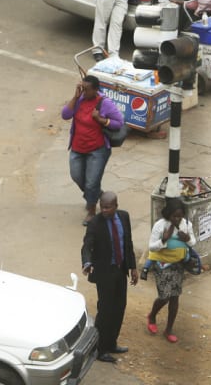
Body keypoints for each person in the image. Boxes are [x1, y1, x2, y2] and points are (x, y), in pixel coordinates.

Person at [81, 191, 138, 363]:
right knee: (105, 311)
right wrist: (87, 263)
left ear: (116, 206)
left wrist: (133, 267)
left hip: (120, 270)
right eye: (102, 207)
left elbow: (128, 243)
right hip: (104, 273)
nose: (104, 210)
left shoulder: (124, 217)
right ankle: (100, 349)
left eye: (108, 207)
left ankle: (112, 343)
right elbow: (87, 246)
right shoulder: (95, 224)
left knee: (120, 307)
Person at [61, 75, 124, 226]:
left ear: (96, 90)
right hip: (77, 147)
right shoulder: (79, 100)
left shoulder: (104, 103)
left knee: (91, 182)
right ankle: (97, 195)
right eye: (82, 88)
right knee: (77, 176)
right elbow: (65, 115)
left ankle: (91, 210)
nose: (83, 92)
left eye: (87, 89)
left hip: (97, 150)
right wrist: (75, 98)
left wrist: (100, 119)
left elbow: (119, 123)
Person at [146, 198, 197, 343]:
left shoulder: (186, 225)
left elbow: (193, 242)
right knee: (165, 296)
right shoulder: (160, 226)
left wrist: (187, 238)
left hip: (178, 264)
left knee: (175, 296)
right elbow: (152, 247)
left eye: (179, 216)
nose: (177, 219)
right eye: (174, 216)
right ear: (168, 214)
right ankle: (152, 315)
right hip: (162, 265)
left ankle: (169, 329)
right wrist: (164, 240)